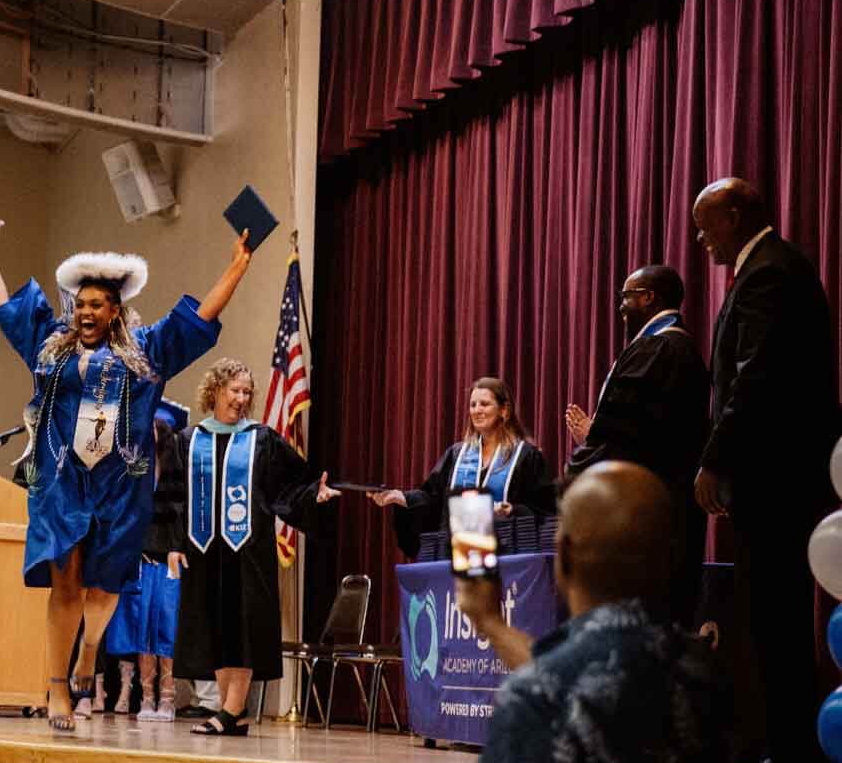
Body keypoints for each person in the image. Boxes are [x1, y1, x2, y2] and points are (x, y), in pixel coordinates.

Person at [0, 218, 250, 731]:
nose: (84, 313)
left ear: (115, 311)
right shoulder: (50, 345)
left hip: (120, 486)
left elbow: (199, 320)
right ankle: (58, 686)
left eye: (95, 306)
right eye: (79, 305)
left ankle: (90, 651)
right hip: (62, 481)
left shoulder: (145, 351)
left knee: (104, 589)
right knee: (67, 581)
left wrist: (237, 265)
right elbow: (3, 310)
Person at [458, 462, 735, 763]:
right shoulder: (706, 680)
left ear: (564, 555)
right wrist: (491, 625)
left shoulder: (536, 697)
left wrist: (486, 620)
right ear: (674, 558)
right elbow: (594, 671)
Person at [692, 176, 842, 763]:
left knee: (776, 615)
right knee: (771, 614)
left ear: (734, 214)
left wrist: (713, 459)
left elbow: (752, 381)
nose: (702, 238)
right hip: (779, 477)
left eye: (707, 224)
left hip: (776, 478)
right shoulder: (770, 271)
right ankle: (789, 747)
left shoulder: (771, 273)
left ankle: (797, 754)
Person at [162, 358, 340, 735]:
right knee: (216, 629)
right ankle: (235, 714)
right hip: (203, 550)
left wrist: (315, 495)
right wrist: (173, 544)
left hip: (248, 552)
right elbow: (173, 495)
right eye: (234, 391)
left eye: (247, 392)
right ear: (215, 392)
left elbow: (293, 485)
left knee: (242, 628)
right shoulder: (188, 440)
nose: (241, 399)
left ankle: (229, 710)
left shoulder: (262, 440)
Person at [563, 264, 710, 624]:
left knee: (647, 625)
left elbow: (624, 433)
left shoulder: (657, 348)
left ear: (648, 298)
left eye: (626, 297)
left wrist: (581, 460)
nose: (620, 307)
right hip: (670, 509)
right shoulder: (675, 347)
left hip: (649, 514)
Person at [368, 377, 555, 558]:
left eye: (484, 404)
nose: (477, 410)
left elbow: (544, 509)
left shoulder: (526, 456)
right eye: (473, 405)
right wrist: (401, 497)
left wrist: (511, 510)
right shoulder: (457, 454)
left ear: (504, 410)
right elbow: (433, 498)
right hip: (458, 558)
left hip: (507, 556)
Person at [104, 406, 188, 721]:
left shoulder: (173, 466)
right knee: (140, 627)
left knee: (164, 623)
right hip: (137, 556)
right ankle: (146, 698)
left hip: (167, 557)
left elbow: (180, 509)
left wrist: (174, 546)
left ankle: (168, 697)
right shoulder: (134, 469)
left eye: (156, 428)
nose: (150, 434)